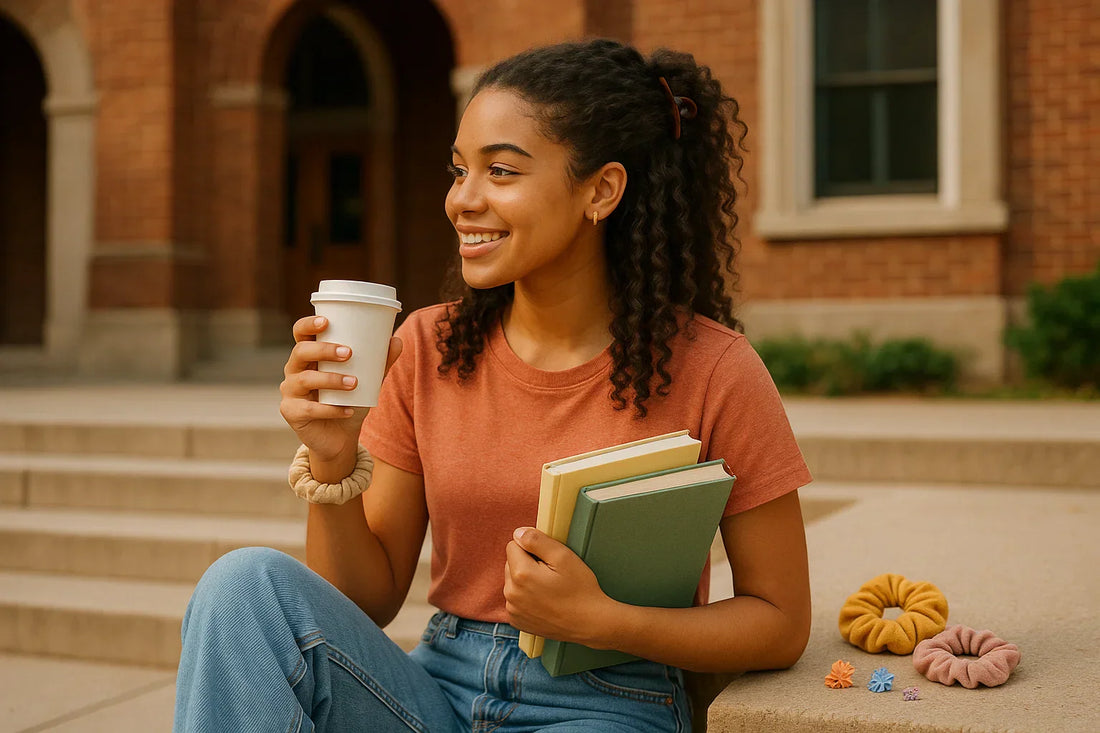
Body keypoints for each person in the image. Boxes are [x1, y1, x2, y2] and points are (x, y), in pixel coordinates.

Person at [174, 38, 811, 732]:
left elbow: (779, 620)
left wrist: (605, 619)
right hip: (437, 689)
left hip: (609, 700)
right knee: (242, 587)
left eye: (501, 172)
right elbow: (366, 598)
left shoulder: (714, 369)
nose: (462, 201)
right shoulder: (427, 345)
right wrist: (332, 456)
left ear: (601, 189)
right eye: (459, 171)